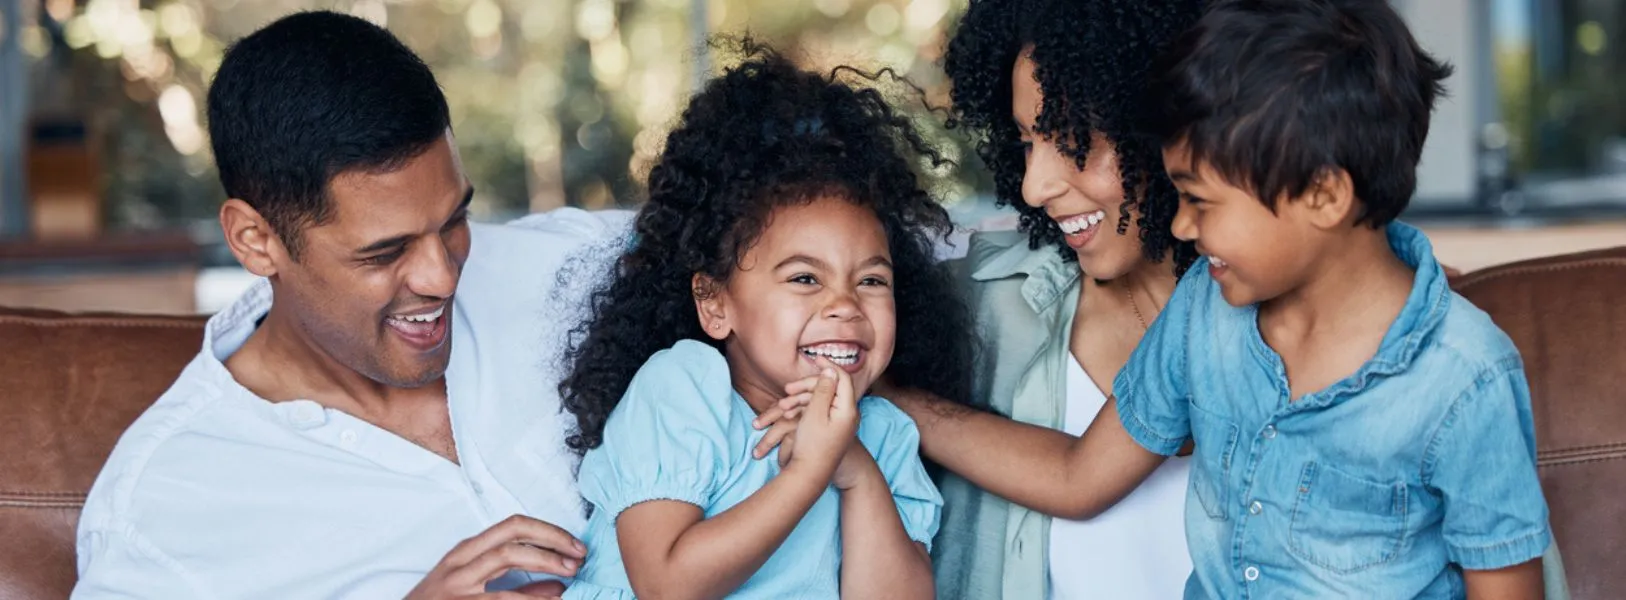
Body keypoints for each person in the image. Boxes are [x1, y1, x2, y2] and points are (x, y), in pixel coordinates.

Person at [773, 0, 1558, 597]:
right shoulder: (1199, 316)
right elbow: (1080, 477)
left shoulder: (1462, 371)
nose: (1037, 183)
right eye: (1024, 142)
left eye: (1203, 201)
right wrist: (875, 394)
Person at [73, 12, 629, 598]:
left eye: (455, 220)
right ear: (255, 241)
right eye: (384, 252)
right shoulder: (159, 512)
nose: (442, 276)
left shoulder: (577, 265)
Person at [760, 0, 1208, 598]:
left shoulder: (1280, 306)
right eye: (1027, 144)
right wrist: (597, 530)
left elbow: (1081, 478)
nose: (1035, 185)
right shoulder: (974, 304)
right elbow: (748, 337)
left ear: (1161, 123)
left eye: (1072, 140)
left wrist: (891, 398)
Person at [552, 42, 975, 599]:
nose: (845, 305)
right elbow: (668, 586)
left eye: (871, 280)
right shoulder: (682, 390)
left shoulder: (882, 433)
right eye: (805, 278)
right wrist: (808, 472)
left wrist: (854, 470)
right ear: (715, 303)